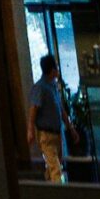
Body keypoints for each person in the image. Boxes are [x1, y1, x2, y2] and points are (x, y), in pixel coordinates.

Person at [30, 52, 67, 183]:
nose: (58, 70)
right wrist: (30, 130)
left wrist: (70, 128)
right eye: (56, 67)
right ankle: (59, 190)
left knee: (54, 165)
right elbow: (33, 109)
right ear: (52, 70)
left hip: (56, 132)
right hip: (46, 133)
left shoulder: (52, 86)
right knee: (55, 167)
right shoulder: (40, 87)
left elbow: (60, 109)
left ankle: (48, 185)